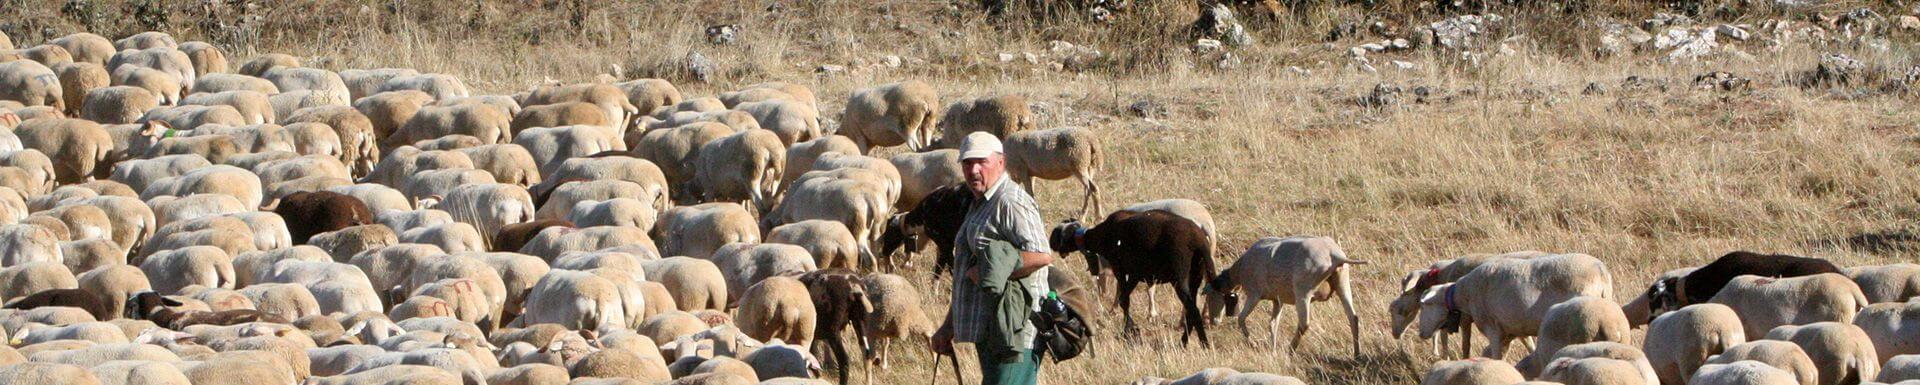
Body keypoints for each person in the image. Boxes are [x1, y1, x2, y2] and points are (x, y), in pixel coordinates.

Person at [932, 132, 1054, 385]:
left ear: (1001, 162)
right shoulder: (981, 202)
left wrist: (988, 271)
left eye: (981, 162)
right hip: (992, 329)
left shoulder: (1011, 201)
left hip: (1014, 331)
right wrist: (948, 326)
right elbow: (971, 270)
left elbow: (1042, 255)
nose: (973, 170)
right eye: (967, 163)